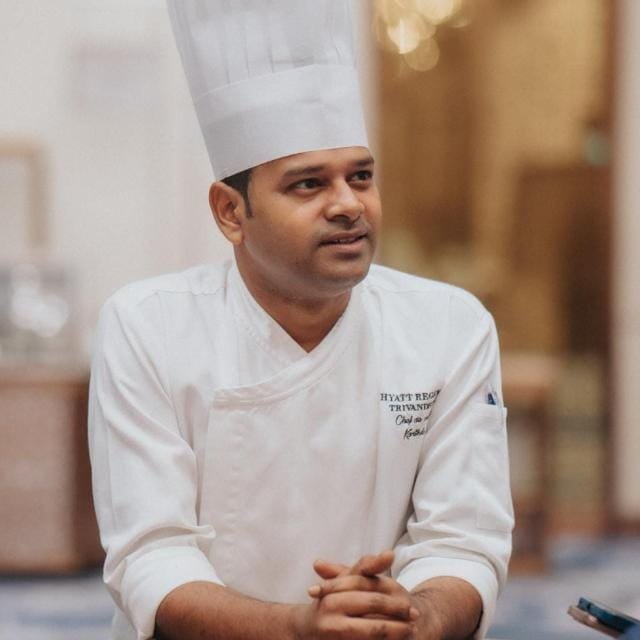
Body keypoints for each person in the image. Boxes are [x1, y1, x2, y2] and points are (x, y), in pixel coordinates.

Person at [88, 2, 514, 639]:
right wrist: (294, 627)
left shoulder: (450, 326)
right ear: (230, 212)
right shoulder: (148, 326)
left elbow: (464, 539)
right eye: (308, 185)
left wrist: (418, 618)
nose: (349, 205)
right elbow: (151, 556)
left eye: (361, 177)